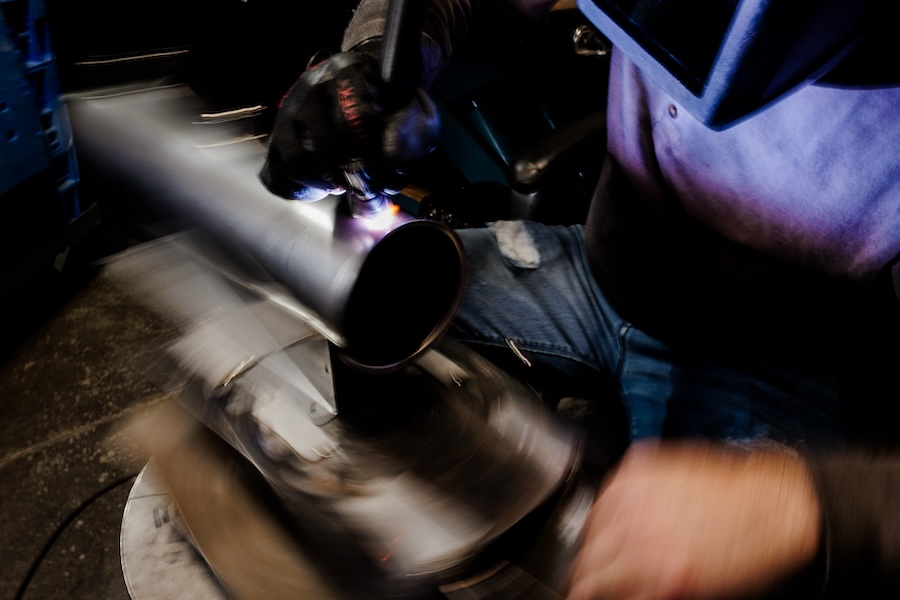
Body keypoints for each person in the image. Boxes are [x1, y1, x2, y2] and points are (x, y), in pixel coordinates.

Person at [259, 0, 900, 597]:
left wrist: (810, 506)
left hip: (786, 357)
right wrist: (379, 61)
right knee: (315, 323)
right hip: (606, 271)